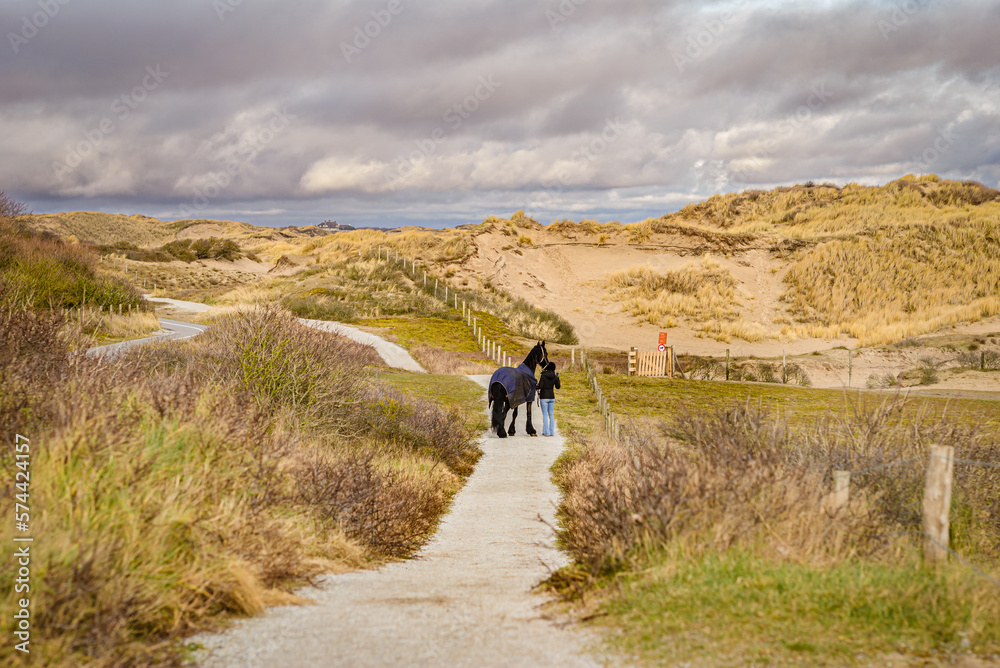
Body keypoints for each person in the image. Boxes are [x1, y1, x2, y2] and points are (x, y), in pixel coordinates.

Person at [537, 361, 560, 437]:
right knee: (551, 414)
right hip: (552, 397)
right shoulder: (555, 376)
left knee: (544, 414)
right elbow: (558, 387)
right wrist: (557, 378)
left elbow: (540, 386)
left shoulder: (543, 375)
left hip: (544, 397)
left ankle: (546, 432)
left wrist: (535, 385)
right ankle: (551, 432)